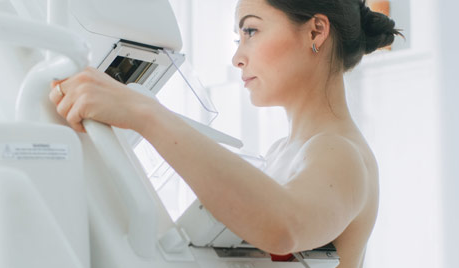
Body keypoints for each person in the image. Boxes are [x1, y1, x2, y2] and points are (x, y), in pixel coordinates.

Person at [49, 0, 402, 267]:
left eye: (250, 31)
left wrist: (144, 113)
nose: (237, 57)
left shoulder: (338, 151)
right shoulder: (287, 149)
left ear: (315, 32)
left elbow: (283, 225)